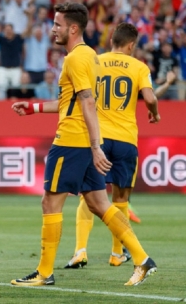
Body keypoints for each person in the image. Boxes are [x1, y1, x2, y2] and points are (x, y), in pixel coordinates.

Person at [10, 3, 157, 287]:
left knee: (50, 201)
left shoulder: (76, 59)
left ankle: (44, 272)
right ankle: (141, 259)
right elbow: (73, 101)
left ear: (72, 28)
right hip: (84, 141)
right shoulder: (90, 56)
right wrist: (34, 107)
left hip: (72, 141)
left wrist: (95, 145)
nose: (53, 29)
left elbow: (88, 101)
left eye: (57, 24)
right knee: (99, 202)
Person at [64, 23, 176, 269]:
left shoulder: (95, 61)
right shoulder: (138, 66)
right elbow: (149, 97)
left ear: (111, 40)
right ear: (131, 44)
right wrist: (154, 114)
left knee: (90, 195)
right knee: (121, 198)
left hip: (97, 138)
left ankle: (80, 251)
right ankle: (117, 253)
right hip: (125, 139)